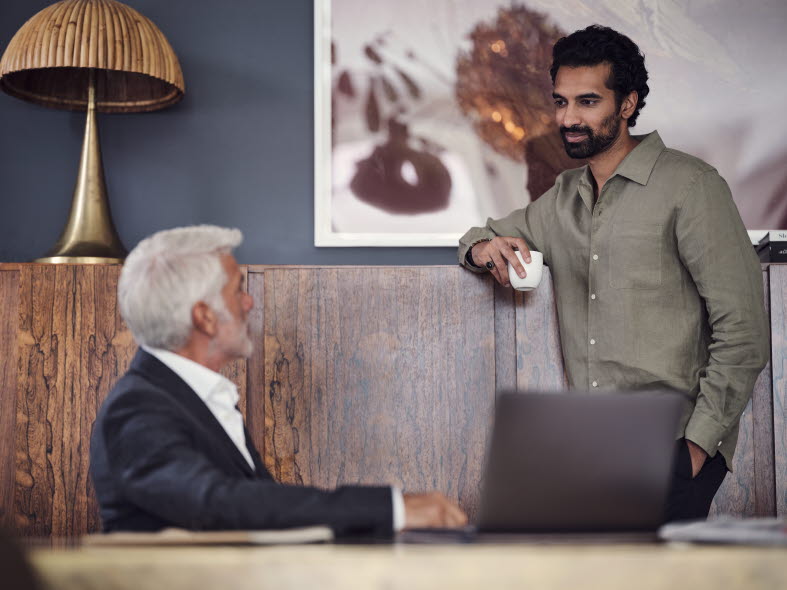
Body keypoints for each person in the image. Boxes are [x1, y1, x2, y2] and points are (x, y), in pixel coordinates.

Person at [458, 25, 769, 522]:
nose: (568, 118)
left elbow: (745, 333)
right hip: (595, 445)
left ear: (627, 104)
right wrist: (483, 249)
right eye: (560, 102)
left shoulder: (691, 187)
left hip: (674, 442)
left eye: (587, 102)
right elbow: (482, 235)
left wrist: (696, 446)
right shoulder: (563, 197)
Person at [90, 225, 466, 538]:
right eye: (238, 288)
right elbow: (219, 504)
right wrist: (393, 508)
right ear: (204, 318)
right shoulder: (137, 407)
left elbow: (257, 509)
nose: (249, 302)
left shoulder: (188, 397)